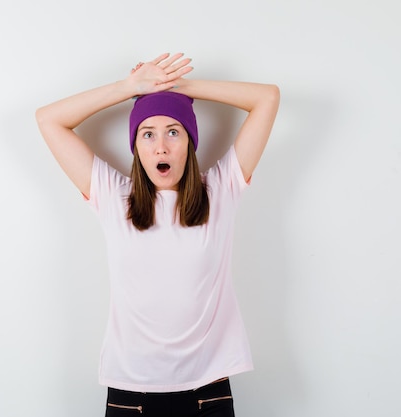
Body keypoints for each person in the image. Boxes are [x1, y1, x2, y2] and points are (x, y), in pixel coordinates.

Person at [36, 52, 280, 417]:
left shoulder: (220, 191)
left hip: (207, 392)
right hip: (131, 395)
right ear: (136, 147)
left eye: (173, 132)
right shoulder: (114, 197)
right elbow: (49, 120)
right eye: (147, 134)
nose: (161, 146)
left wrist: (176, 86)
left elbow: (268, 98)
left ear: (189, 143)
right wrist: (130, 88)